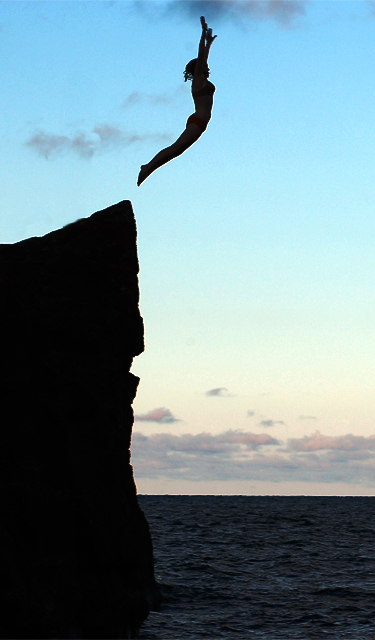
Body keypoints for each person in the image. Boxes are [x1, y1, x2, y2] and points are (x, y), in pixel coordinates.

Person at [137, 16, 217, 186]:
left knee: (177, 150)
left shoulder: (202, 79)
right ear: (197, 68)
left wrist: (209, 43)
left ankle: (148, 167)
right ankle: (147, 167)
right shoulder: (198, 81)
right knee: (176, 149)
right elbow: (200, 55)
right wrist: (203, 34)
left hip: (199, 122)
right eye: (203, 65)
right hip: (197, 122)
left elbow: (204, 57)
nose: (207, 66)